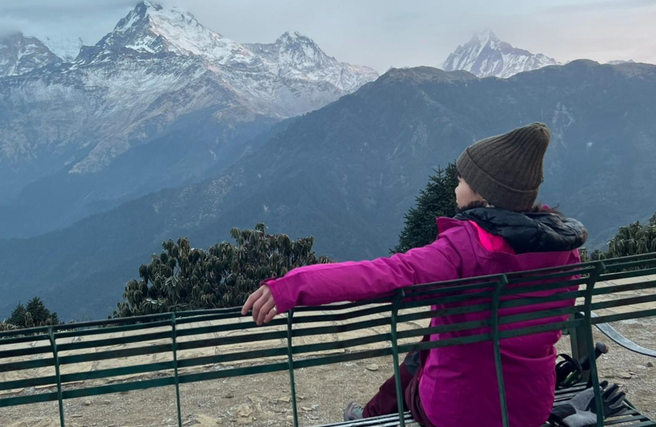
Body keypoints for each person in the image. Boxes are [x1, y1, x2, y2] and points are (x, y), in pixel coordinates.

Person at [242, 122, 588, 427]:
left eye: (461, 179)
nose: (456, 187)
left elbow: (388, 273)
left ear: (484, 192)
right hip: (530, 410)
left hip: (456, 415)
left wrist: (293, 284)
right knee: (440, 338)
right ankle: (368, 415)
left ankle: (369, 417)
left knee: (423, 355)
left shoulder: (465, 247)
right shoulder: (564, 249)